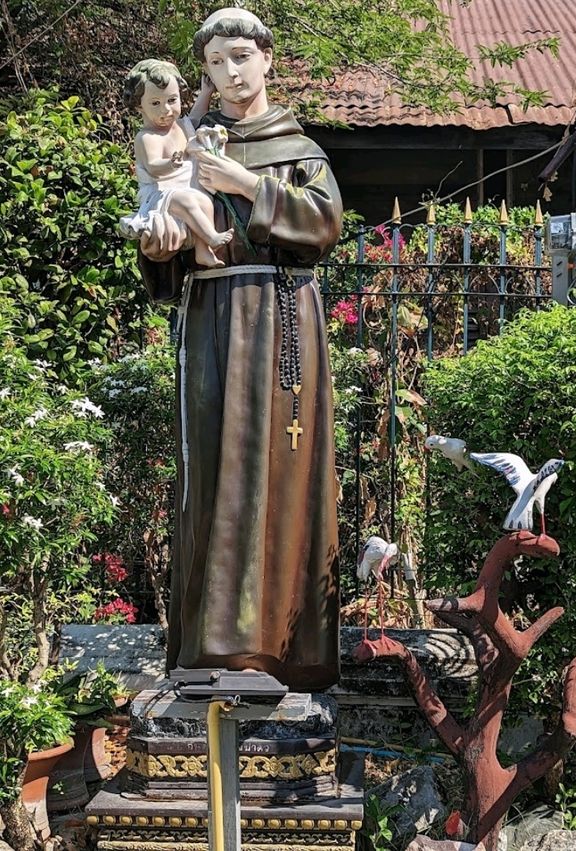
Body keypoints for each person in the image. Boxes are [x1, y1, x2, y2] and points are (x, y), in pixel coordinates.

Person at [138, 8, 343, 690]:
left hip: (282, 320)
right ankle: (208, 647)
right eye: (218, 61)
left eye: (241, 57)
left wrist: (244, 183)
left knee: (279, 475)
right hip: (210, 322)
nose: (230, 71)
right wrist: (160, 248)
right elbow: (171, 242)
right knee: (212, 475)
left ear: (266, 60)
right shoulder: (187, 144)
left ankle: (277, 649)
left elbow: (323, 222)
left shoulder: (298, 147)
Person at [120, 59, 233, 268]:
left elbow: (197, 115)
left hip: (187, 189)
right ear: (139, 106)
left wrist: (206, 92)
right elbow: (154, 168)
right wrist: (170, 164)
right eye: (155, 103)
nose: (166, 110)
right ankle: (211, 237)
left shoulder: (182, 127)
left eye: (172, 100)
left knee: (204, 202)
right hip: (160, 195)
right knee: (188, 201)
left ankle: (203, 251)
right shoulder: (147, 137)